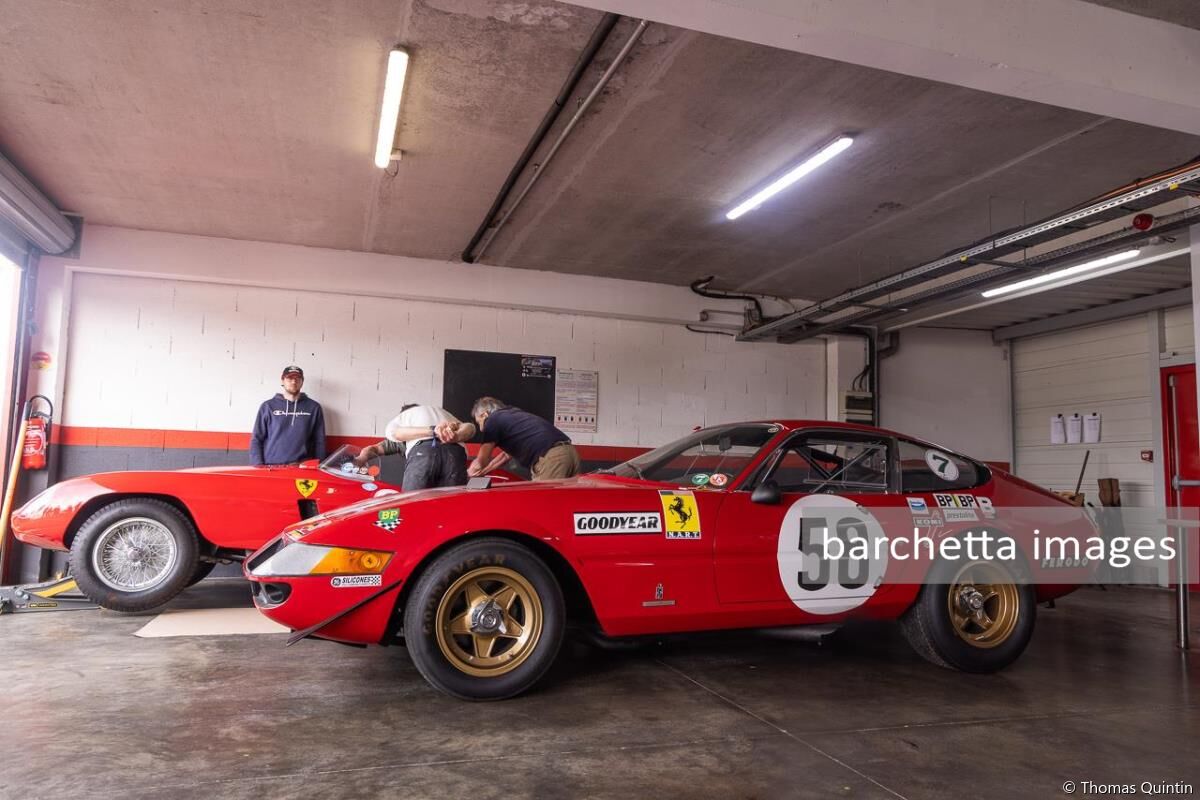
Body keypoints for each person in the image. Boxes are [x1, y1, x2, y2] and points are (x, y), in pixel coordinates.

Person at [439, 396, 580, 481]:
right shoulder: (513, 415)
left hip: (552, 459)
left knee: (542, 505)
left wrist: (467, 475)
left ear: (485, 415)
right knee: (566, 504)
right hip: (569, 453)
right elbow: (505, 456)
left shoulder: (493, 420)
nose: (481, 428)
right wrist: (484, 472)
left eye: (479, 422)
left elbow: (482, 459)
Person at [356, 404, 476, 490]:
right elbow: (470, 428)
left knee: (412, 506)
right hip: (456, 454)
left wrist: (358, 461)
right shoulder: (443, 417)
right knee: (452, 509)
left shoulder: (404, 425)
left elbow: (373, 449)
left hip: (423, 454)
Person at [249, 365, 327, 466]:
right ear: (282, 381)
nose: (294, 382)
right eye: (289, 378)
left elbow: (319, 440)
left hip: (302, 468)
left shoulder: (314, 408)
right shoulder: (267, 407)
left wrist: (319, 465)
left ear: (302, 382)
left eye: (297, 378)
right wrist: (258, 465)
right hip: (271, 467)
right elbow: (257, 438)